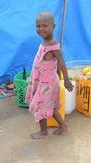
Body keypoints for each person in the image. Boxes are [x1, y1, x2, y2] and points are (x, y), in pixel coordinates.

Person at [25, 11, 73, 139]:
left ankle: (44, 132)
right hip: (44, 81)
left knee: (39, 105)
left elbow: (62, 63)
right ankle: (64, 126)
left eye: (45, 26)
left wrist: (66, 80)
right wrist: (57, 76)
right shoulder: (45, 41)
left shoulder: (53, 44)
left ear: (53, 27)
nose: (41, 29)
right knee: (50, 105)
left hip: (48, 83)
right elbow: (55, 63)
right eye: (38, 26)